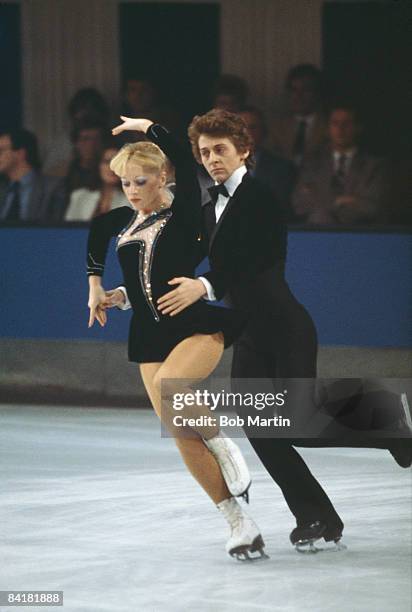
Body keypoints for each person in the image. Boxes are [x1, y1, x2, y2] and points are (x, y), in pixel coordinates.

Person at [155, 109, 411, 552]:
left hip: (284, 327)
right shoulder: (208, 207)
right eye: (204, 152)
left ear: (244, 151)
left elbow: (252, 260)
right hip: (250, 334)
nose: (212, 158)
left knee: (296, 423)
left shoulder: (263, 197)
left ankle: (390, 422)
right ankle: (316, 517)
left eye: (221, 149)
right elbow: (184, 256)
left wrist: (205, 285)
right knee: (263, 431)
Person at [86, 116, 267, 561]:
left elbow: (189, 168)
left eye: (139, 181)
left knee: (174, 387)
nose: (131, 191)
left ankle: (223, 443)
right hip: (148, 334)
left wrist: (150, 127)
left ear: (162, 177)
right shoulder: (125, 223)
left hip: (193, 324)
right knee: (179, 428)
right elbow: (99, 236)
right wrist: (105, 290)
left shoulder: (185, 209)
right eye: (125, 182)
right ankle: (238, 521)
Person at [291, 103, 388, 225]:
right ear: (327, 128)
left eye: (346, 123)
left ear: (358, 127)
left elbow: (372, 207)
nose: (340, 129)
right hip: (318, 234)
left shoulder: (373, 166)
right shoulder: (311, 164)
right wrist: (342, 201)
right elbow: (299, 203)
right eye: (335, 123)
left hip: (359, 234)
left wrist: (322, 198)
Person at [237, 105, 296, 213]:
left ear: (263, 131)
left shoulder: (282, 168)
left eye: (252, 127)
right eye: (242, 129)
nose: (247, 133)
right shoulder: (217, 166)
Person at [0, 128, 66, 222]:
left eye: (0, 151)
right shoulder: (2, 189)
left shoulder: (53, 187)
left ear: (20, 154)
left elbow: (58, 231)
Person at [269, 64, 328, 166]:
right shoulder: (276, 127)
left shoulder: (329, 125)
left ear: (317, 92)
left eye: (306, 90)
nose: (298, 96)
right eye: (294, 90)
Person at [65, 144, 130, 221]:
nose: (112, 168)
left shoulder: (134, 199)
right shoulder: (79, 196)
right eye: (107, 162)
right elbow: (68, 230)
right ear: (98, 166)